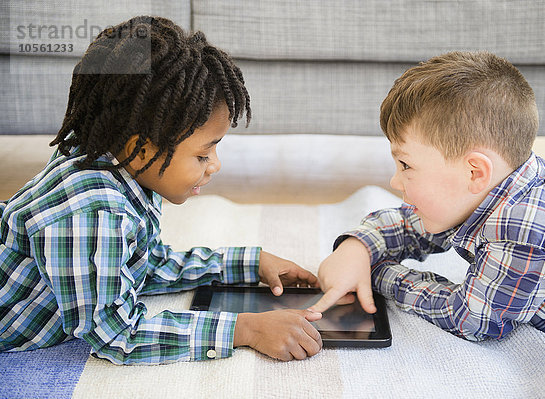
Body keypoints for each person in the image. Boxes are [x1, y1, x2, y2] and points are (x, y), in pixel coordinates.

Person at [0, 16, 323, 364]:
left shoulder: (124, 166)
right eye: (203, 154)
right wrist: (245, 329)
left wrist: (245, 263)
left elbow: (143, 264)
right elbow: (117, 335)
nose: (215, 165)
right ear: (141, 151)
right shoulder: (90, 216)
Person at [310, 51, 545, 351]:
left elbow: (470, 318)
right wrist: (358, 247)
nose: (394, 182)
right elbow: (411, 225)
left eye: (406, 166)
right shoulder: (489, 185)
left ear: (475, 171)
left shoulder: (527, 231)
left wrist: (377, 272)